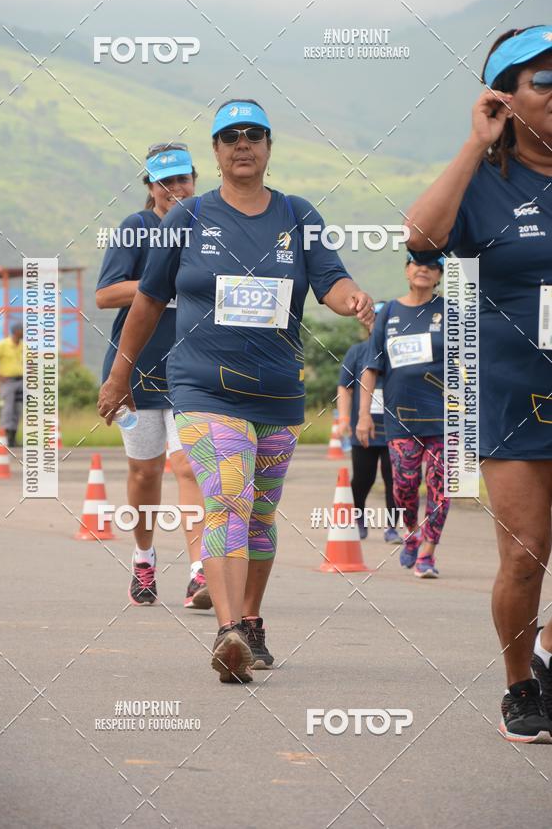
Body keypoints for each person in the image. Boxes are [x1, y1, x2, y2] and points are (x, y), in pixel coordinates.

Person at [98, 99, 373, 683]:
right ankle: (227, 632)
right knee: (228, 497)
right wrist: (120, 375)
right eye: (230, 137)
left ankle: (250, 621)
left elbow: (329, 280)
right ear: (217, 152)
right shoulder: (187, 219)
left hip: (275, 392)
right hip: (201, 386)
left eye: (253, 135)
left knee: (262, 514)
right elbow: (146, 301)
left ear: (269, 147)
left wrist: (354, 299)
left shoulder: (299, 216)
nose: (242, 144)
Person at [405, 25, 552, 742]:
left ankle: (548, 652)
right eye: (544, 80)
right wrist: (474, 143)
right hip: (512, 392)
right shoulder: (486, 186)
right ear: (505, 98)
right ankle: (520, 684)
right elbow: (423, 239)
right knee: (526, 554)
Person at [96, 143, 210, 611]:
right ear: (150, 188)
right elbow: (104, 295)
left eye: (183, 179)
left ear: (195, 181)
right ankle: (143, 557)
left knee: (189, 466)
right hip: (136, 372)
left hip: (195, 372)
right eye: (165, 182)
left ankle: (201, 571)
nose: (176, 189)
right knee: (146, 472)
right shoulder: (137, 228)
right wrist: (161, 284)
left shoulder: (211, 229)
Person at [356, 254, 450, 578]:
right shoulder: (390, 313)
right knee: (405, 485)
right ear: (407, 269)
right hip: (400, 417)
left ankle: (428, 553)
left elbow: (470, 365)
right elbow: (371, 367)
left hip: (444, 416)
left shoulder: (451, 311)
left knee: (440, 486)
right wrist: (364, 416)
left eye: (432, 265)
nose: (424, 269)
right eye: (417, 262)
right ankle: (411, 530)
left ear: (439, 274)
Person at [337, 302, 398, 543]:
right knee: (363, 477)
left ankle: (393, 527)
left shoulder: (398, 349)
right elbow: (345, 386)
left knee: (393, 478)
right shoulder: (357, 351)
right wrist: (344, 418)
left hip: (395, 428)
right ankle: (359, 518)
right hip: (363, 428)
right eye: (374, 318)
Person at [0, 322, 23, 447]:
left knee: (17, 410)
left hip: (21, 381)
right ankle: (4, 438)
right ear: (16, 331)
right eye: (22, 330)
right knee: (7, 410)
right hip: (8, 382)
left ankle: (13, 439)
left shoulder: (24, 346)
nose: (24, 333)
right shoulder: (3, 344)